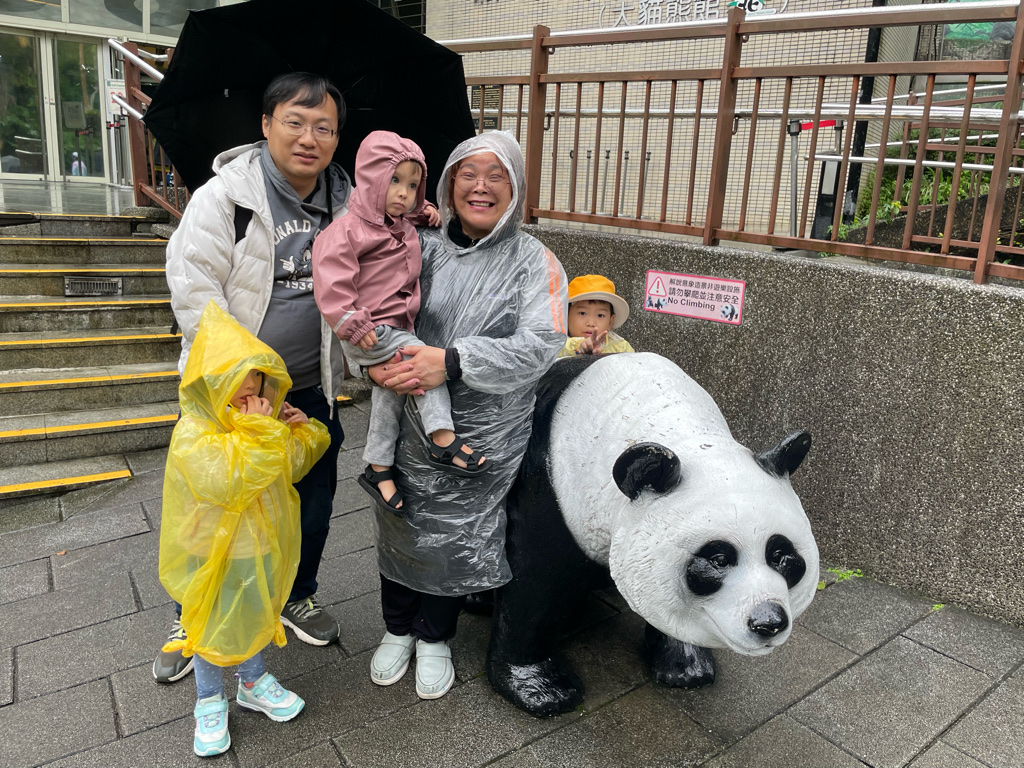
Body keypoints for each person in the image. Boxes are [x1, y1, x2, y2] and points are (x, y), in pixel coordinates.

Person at [158, 72, 351, 684]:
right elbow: (194, 289)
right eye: (295, 122)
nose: (309, 138)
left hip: (311, 388)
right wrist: (239, 377)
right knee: (211, 511)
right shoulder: (226, 198)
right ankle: (192, 615)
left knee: (311, 504)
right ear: (266, 125)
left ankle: (296, 593)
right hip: (230, 393)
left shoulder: (350, 204)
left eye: (324, 127)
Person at [362, 131, 568, 700]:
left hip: (484, 433)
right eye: (468, 173)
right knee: (400, 520)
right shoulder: (416, 247)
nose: (481, 186)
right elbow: (367, 310)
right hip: (405, 418)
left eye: (497, 175)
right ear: (450, 183)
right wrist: (373, 368)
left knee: (456, 535)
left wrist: (451, 361)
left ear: (516, 187)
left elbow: (541, 344)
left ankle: (435, 637)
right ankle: (396, 628)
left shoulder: (536, 263)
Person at [160, 301, 330, 757]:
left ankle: (253, 682)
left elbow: (288, 466)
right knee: (210, 624)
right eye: (236, 380)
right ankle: (209, 699)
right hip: (208, 545)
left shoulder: (262, 422)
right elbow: (227, 481)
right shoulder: (195, 430)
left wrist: (298, 430)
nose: (249, 389)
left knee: (254, 612)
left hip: (255, 541)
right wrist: (259, 430)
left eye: (255, 378)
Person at [313, 131, 485, 514]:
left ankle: (378, 468)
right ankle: (441, 436)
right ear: (371, 178)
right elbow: (331, 284)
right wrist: (352, 322)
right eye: (394, 181)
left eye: (412, 185)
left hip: (389, 327)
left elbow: (410, 212)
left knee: (392, 391)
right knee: (423, 361)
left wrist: (425, 211)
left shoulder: (400, 221)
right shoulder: (346, 231)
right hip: (367, 328)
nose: (404, 193)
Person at [557, 274, 635, 357]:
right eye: (582, 313)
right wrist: (580, 346)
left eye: (600, 315)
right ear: (566, 316)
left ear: (610, 321)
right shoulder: (555, 345)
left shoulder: (621, 348)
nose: (591, 323)